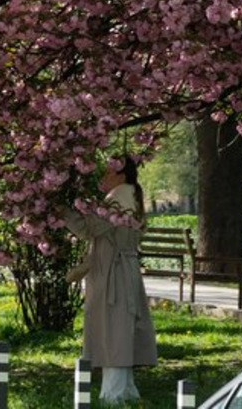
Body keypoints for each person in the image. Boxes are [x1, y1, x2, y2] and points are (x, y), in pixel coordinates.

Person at [62, 156, 158, 405]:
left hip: (113, 272)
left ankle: (113, 394)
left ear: (122, 175)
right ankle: (124, 390)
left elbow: (88, 229)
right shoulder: (128, 194)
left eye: (108, 173)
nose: (103, 177)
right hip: (119, 269)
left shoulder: (120, 197)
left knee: (113, 330)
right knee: (119, 329)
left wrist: (61, 211)